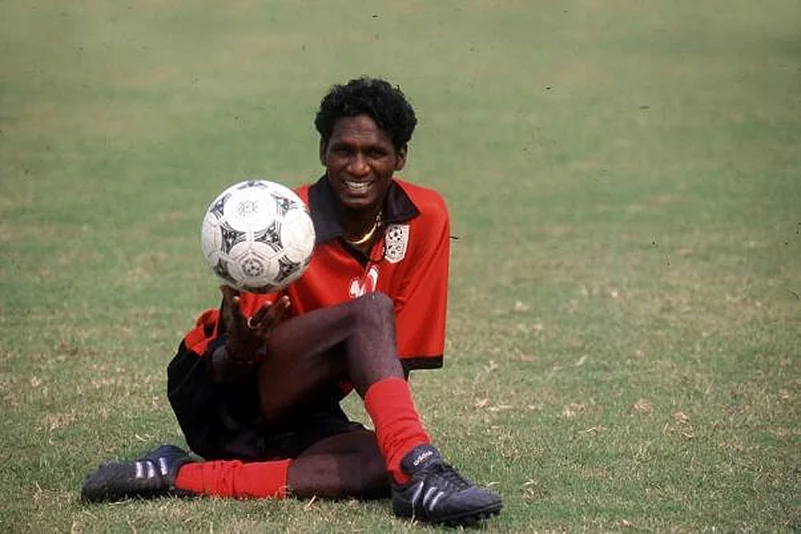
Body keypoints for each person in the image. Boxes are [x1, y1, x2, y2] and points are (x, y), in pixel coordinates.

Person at [81, 77, 502, 526]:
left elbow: (396, 363)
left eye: (375, 153)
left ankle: (177, 476)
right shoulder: (282, 220)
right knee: (371, 312)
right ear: (323, 151)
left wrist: (393, 442)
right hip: (222, 389)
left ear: (400, 156)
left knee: (381, 465)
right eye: (344, 150)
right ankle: (420, 468)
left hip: (304, 405)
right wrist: (239, 352)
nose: (358, 167)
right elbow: (229, 361)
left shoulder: (425, 217)